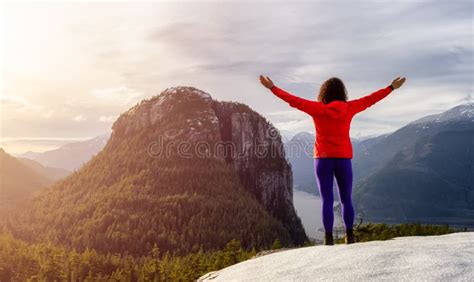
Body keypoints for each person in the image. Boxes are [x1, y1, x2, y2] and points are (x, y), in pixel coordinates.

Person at [259, 75, 406, 245]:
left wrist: (272, 88)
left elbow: (293, 100)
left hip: (322, 159)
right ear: (342, 93)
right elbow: (371, 99)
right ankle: (349, 236)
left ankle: (329, 238)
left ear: (324, 93)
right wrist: (391, 87)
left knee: (327, 200)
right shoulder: (349, 108)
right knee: (346, 199)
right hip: (343, 159)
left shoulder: (317, 109)